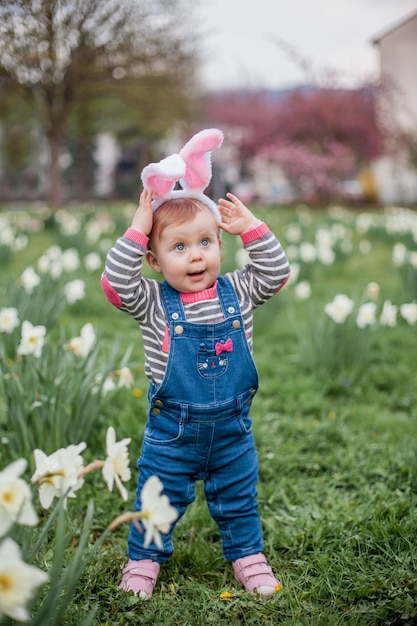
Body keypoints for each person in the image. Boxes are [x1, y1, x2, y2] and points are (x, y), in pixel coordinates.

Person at [101, 129, 290, 600]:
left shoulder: (239, 290)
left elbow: (277, 273)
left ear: (220, 247)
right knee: (156, 500)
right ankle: (144, 562)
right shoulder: (151, 301)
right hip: (173, 436)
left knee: (240, 502)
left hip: (232, 431)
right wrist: (139, 224)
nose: (195, 255)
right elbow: (114, 285)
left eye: (205, 242)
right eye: (178, 247)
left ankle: (248, 557)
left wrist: (251, 226)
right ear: (154, 257)